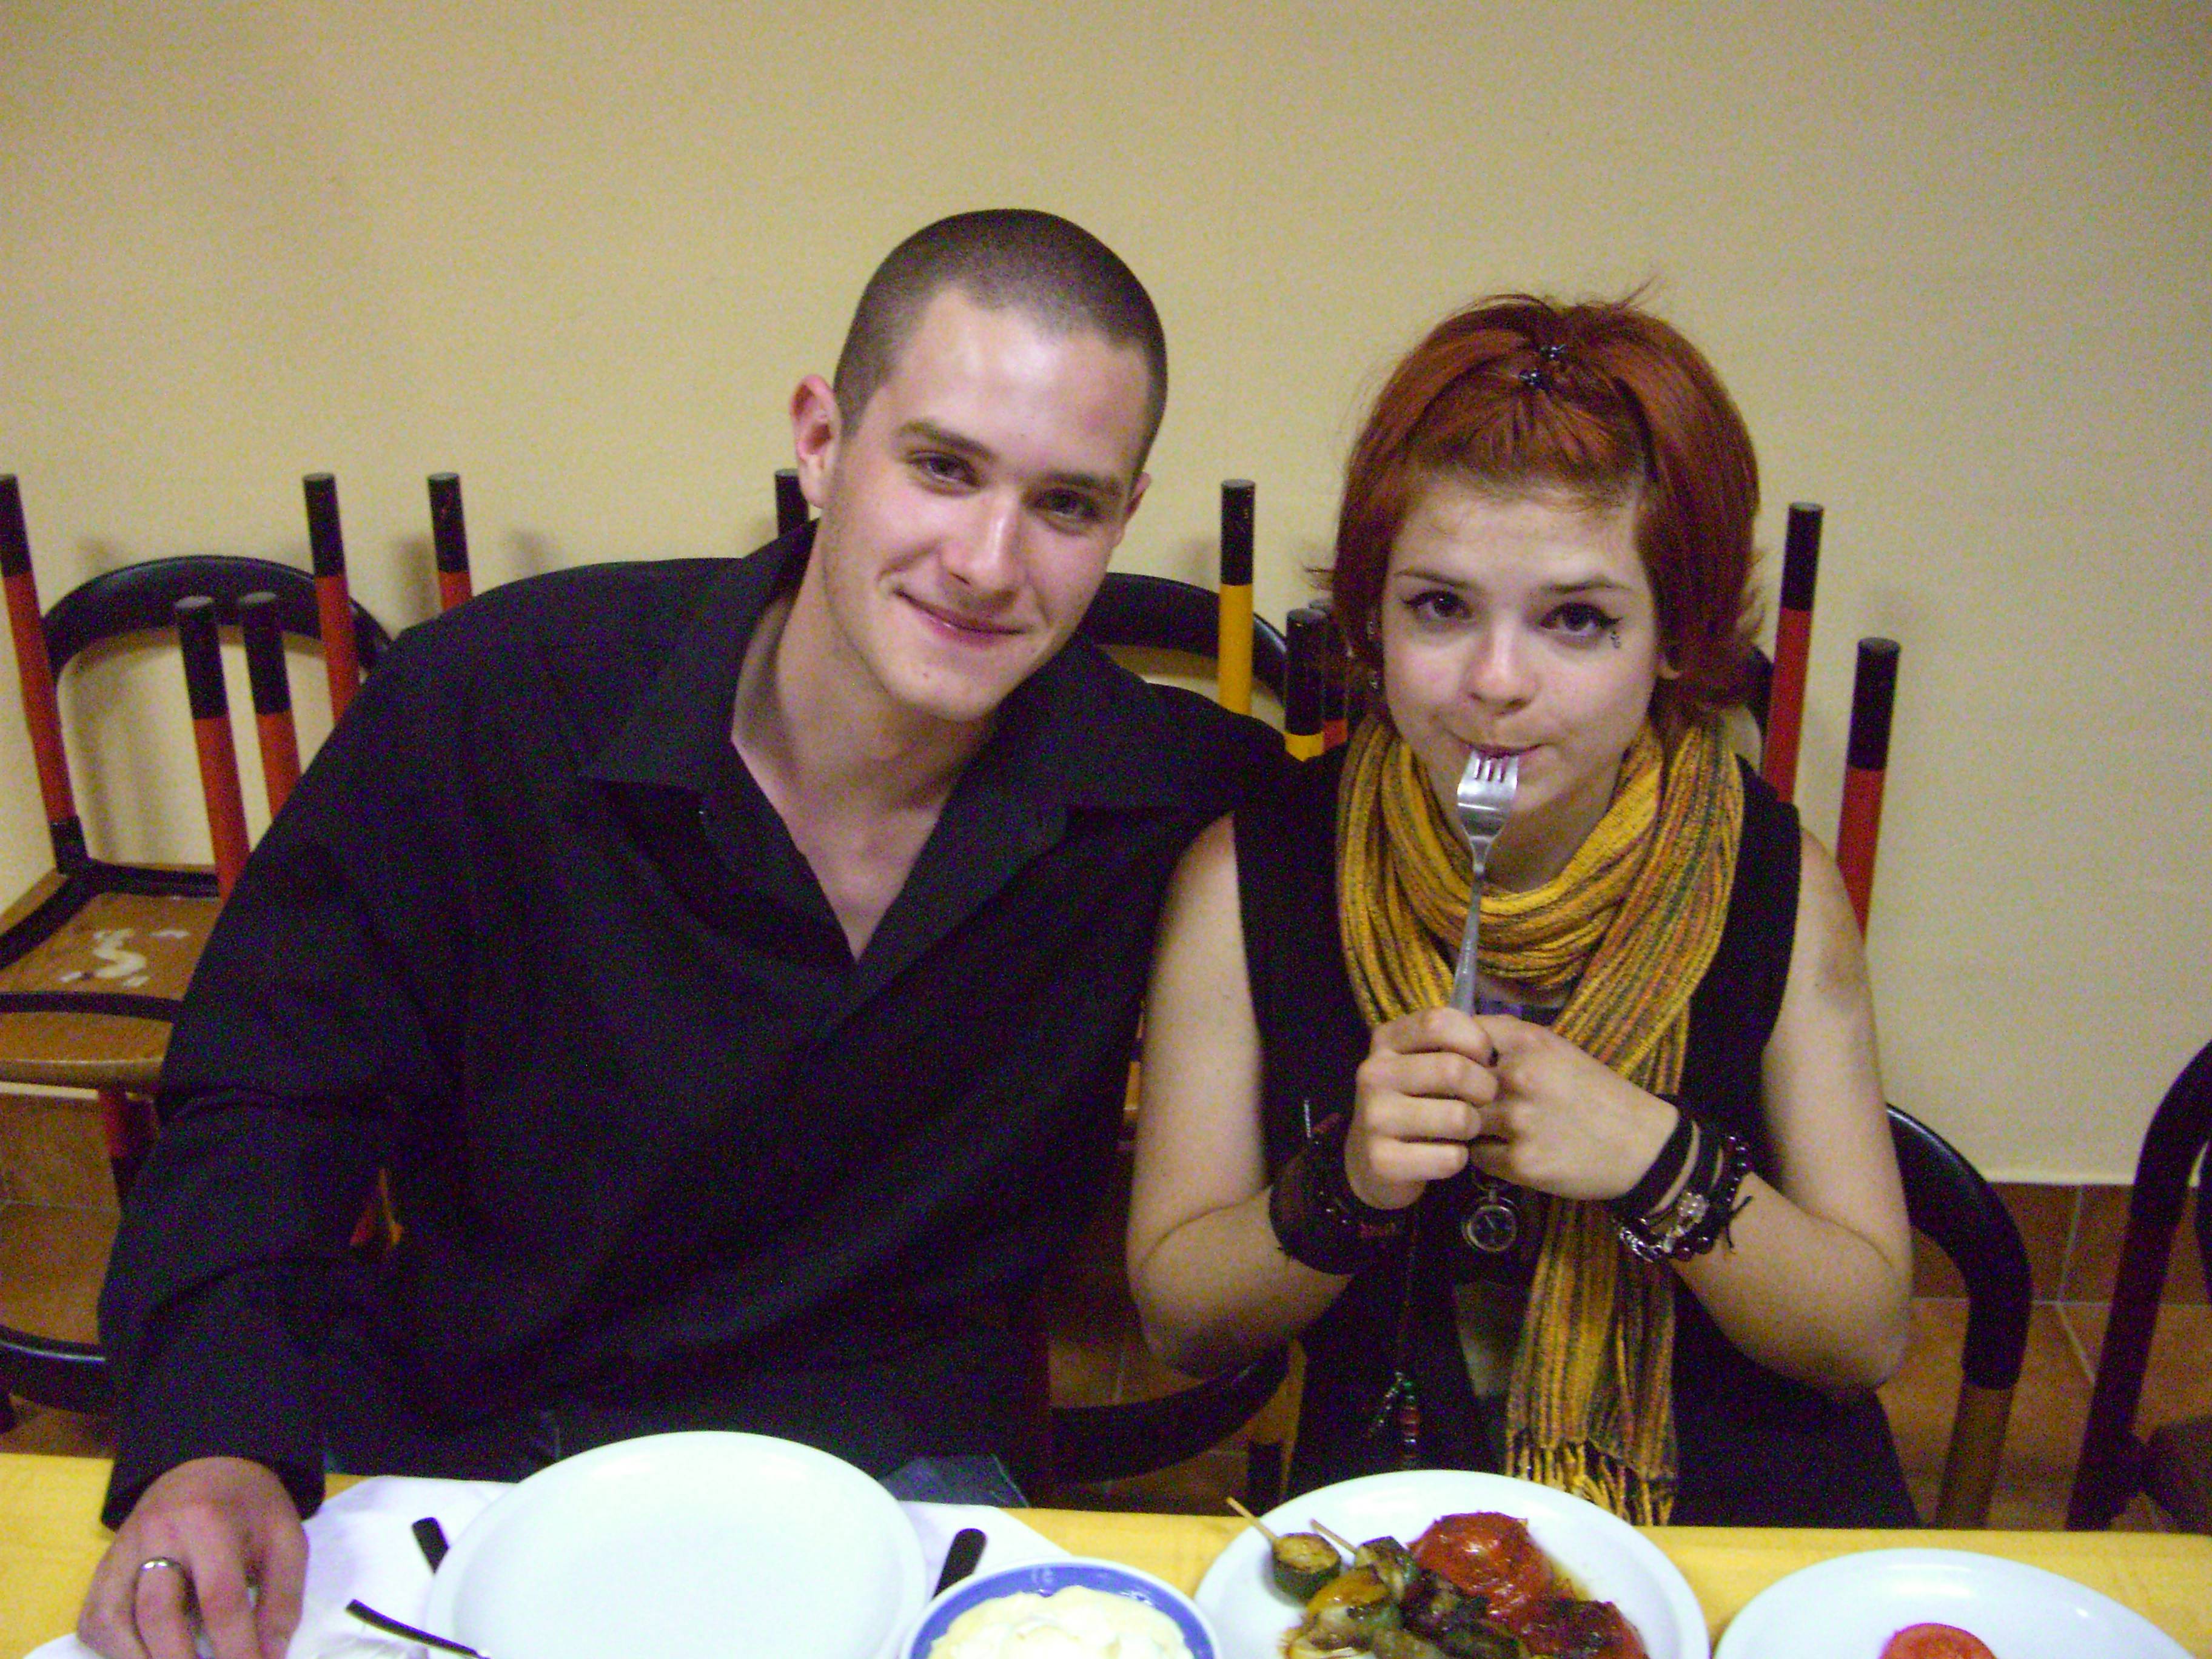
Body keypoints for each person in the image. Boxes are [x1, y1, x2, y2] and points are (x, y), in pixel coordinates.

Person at [79, 209, 1282, 1659]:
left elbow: (1425, 810)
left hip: (904, 1488)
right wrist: (211, 1434)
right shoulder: (491, 705)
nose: (986, 559)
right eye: (942, 467)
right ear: (822, 440)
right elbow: (271, 1095)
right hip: (482, 1456)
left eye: (1066, 506)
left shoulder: (1170, 794)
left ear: (1124, 519)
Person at [1128, 292, 1919, 1527]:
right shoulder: (1250, 875)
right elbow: (1181, 1321)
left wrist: (1654, 1161)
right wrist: (1344, 1183)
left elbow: (1864, 1336)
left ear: (1675, 639)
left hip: (1728, 1522)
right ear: (1372, 617)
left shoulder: (1776, 882)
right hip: (1398, 1519)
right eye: (1440, 608)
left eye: (1577, 620)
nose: (1497, 683)